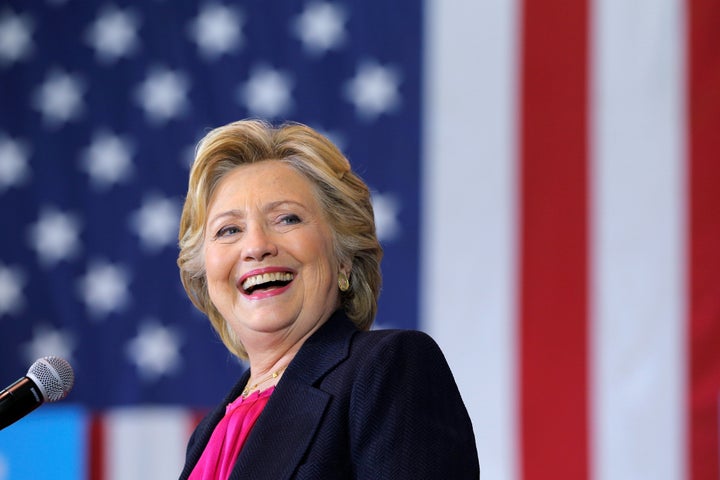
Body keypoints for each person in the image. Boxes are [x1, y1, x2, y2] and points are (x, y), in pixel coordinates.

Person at [176, 119, 479, 479]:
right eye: (229, 230)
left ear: (343, 257)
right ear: (205, 272)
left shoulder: (389, 368)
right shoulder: (207, 435)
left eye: (287, 219)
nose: (256, 246)